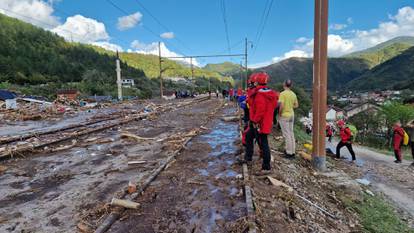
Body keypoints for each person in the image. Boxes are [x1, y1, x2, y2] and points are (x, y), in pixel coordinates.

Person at [250, 72, 279, 173]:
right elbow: (274, 106)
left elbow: (260, 110)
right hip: (267, 121)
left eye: (254, 82)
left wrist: (254, 120)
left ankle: (266, 167)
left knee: (264, 143)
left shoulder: (259, 95)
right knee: (263, 141)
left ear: (257, 82)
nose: (253, 84)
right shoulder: (271, 93)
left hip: (261, 123)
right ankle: (264, 162)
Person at [278, 79, 298, 158]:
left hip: (284, 115)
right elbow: (296, 105)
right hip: (291, 115)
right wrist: (290, 107)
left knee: (287, 135)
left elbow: (281, 105)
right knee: (291, 133)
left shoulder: (282, 94)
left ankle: (289, 152)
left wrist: (279, 114)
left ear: (284, 84)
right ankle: (292, 151)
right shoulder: (293, 94)